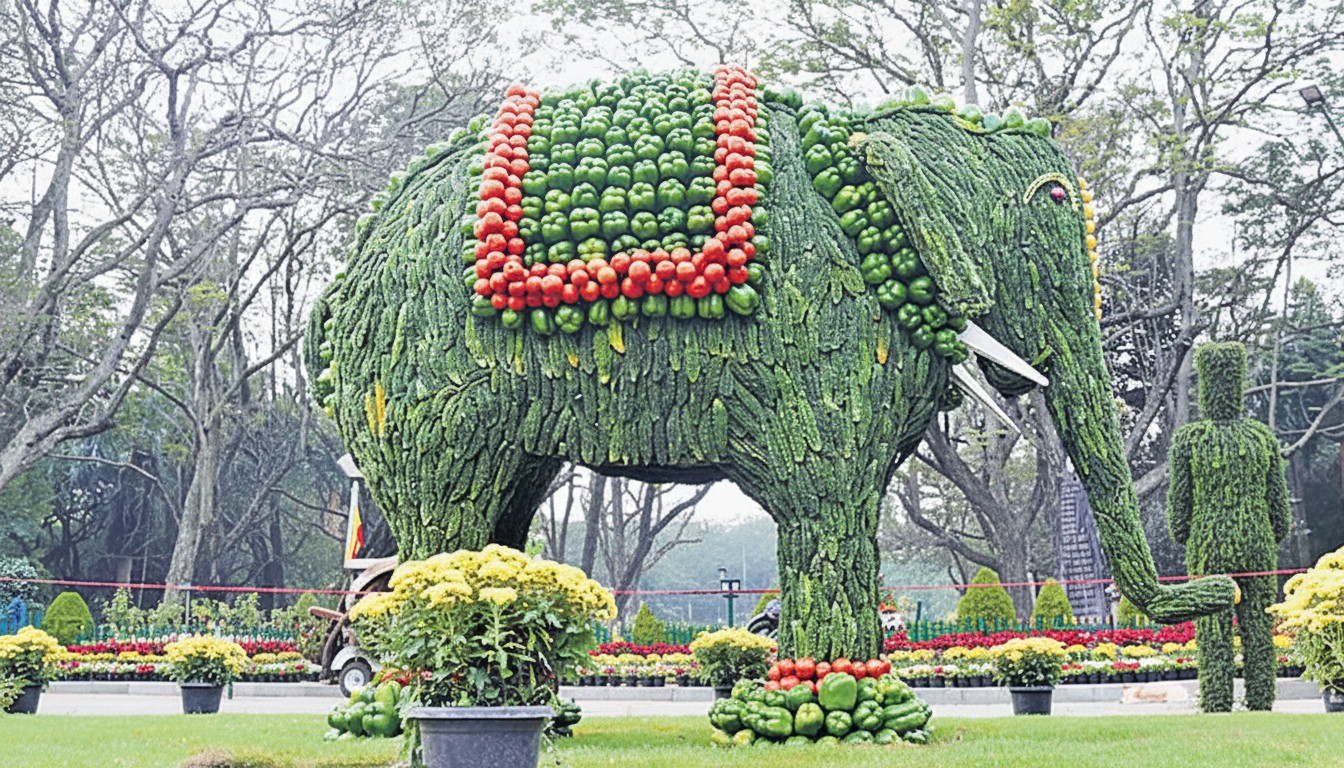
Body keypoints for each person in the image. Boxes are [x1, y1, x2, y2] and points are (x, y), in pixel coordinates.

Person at [1166, 342, 1291, 712]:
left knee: (1213, 628)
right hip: (1257, 544)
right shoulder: (1261, 438)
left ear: (1204, 385)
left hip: (1208, 546)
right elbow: (1280, 513)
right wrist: (1268, 536)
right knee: (1258, 628)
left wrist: (1191, 535)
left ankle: (1218, 701)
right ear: (1238, 383)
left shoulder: (1190, 441)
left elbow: (1178, 514)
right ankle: (1261, 700)